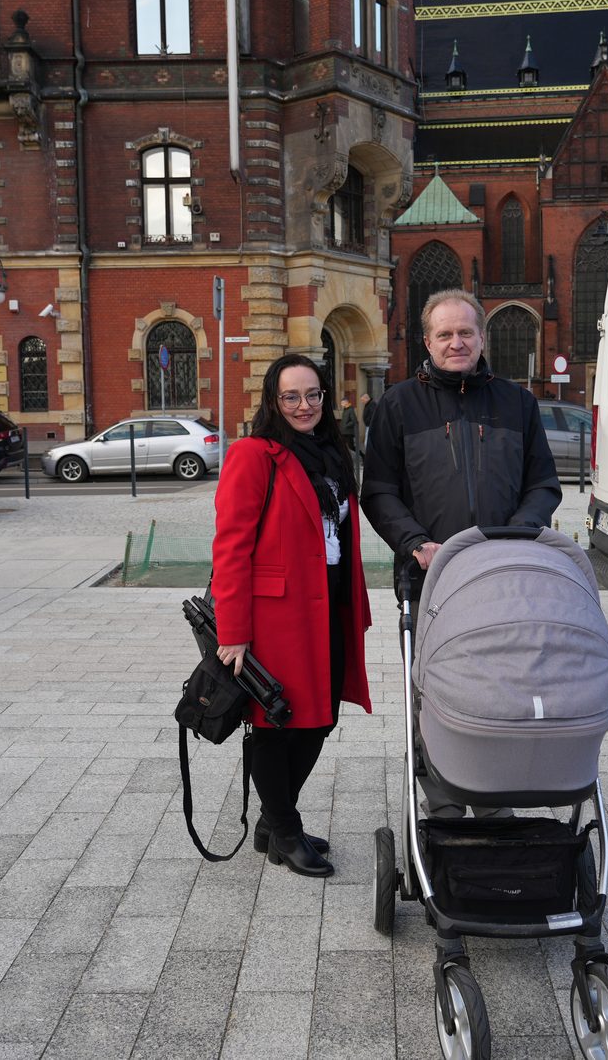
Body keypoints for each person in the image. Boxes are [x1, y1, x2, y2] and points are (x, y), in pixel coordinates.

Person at [362, 288, 561, 816]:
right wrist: (412, 542)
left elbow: (543, 484)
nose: (456, 343)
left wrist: (516, 538)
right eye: (444, 334)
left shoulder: (517, 403)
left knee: (503, 691)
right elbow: (378, 490)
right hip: (431, 585)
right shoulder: (397, 405)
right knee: (436, 696)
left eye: (465, 333)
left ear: (481, 337)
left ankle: (496, 795)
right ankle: (444, 803)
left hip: (506, 580)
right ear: (427, 341)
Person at [211, 353, 372, 877]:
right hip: (275, 615)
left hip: (328, 605)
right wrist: (233, 633)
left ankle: (273, 821)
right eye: (291, 396)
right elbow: (231, 546)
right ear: (273, 401)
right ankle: (282, 828)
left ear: (326, 398)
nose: (304, 406)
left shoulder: (331, 450)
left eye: (313, 395)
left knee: (320, 718)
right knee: (276, 723)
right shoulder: (255, 454)